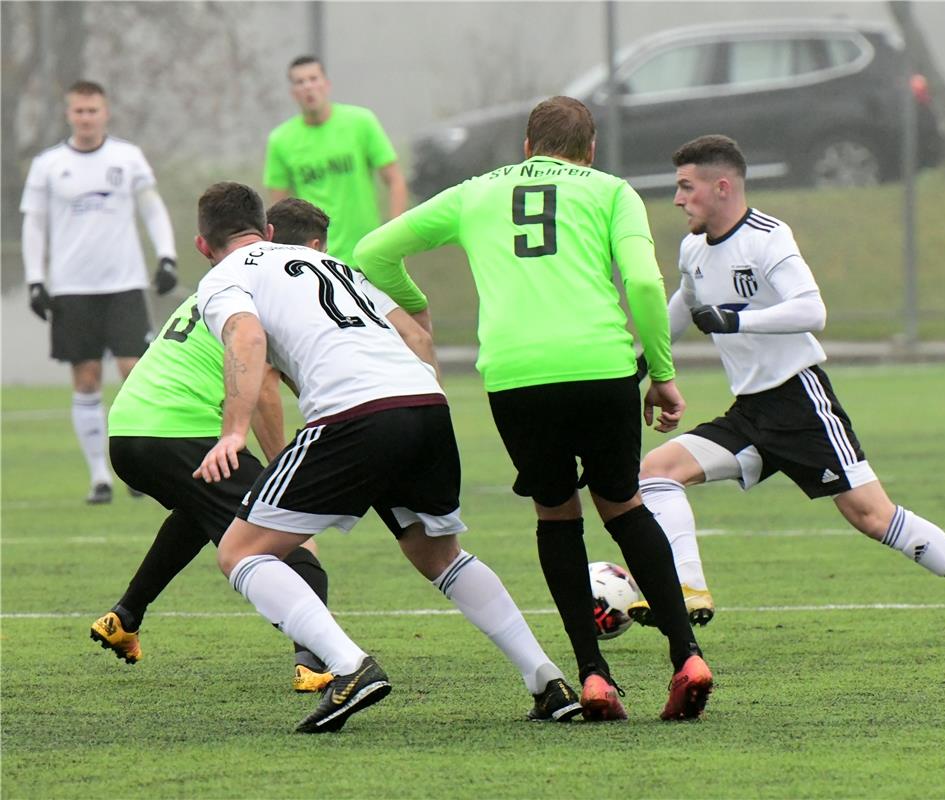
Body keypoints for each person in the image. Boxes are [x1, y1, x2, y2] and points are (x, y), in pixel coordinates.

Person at [355, 96, 713, 721]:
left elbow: (373, 251)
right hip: (602, 367)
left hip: (517, 376)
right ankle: (686, 655)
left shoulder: (477, 192)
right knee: (624, 505)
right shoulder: (610, 191)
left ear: (526, 147)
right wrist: (660, 372)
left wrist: (416, 309)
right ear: (591, 149)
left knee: (557, 515)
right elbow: (649, 284)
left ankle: (594, 677)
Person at [628, 134, 945, 651]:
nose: (677, 199)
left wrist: (738, 319)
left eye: (686, 187)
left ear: (722, 187)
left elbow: (812, 310)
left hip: (802, 403)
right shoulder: (693, 249)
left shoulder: (768, 236)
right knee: (655, 473)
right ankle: (689, 587)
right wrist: (639, 365)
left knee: (874, 517)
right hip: (749, 413)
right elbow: (680, 310)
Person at [193, 182, 581, 733]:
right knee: (439, 554)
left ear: (203, 246)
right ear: (270, 230)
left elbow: (247, 339)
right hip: (424, 404)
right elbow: (419, 340)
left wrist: (234, 433)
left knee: (240, 552)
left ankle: (349, 667)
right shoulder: (336, 267)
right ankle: (546, 679)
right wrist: (425, 408)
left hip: (355, 414)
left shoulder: (225, 277)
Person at [89, 199, 376, 693]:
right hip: (180, 428)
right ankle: (315, 660)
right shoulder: (267, 285)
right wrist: (286, 466)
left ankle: (125, 616)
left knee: (202, 508)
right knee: (291, 530)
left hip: (131, 430)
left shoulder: (223, 284)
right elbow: (262, 383)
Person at [20, 80, 178, 504]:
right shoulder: (49, 164)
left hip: (124, 285)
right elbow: (33, 223)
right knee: (86, 379)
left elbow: (151, 206)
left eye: (93, 111)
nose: (86, 118)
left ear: (105, 112)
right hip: (73, 288)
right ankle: (99, 477)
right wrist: (36, 278)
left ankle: (136, 469)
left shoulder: (126, 158)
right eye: (79, 111)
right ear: (68, 114)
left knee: (135, 374)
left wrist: (166, 256)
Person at [263, 55, 407, 264]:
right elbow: (278, 209)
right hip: (317, 261)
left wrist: (394, 238)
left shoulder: (361, 122)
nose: (308, 87)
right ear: (293, 93)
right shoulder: (280, 140)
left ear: (326, 84)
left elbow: (395, 179)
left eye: (313, 79)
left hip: (367, 255)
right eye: (300, 82)